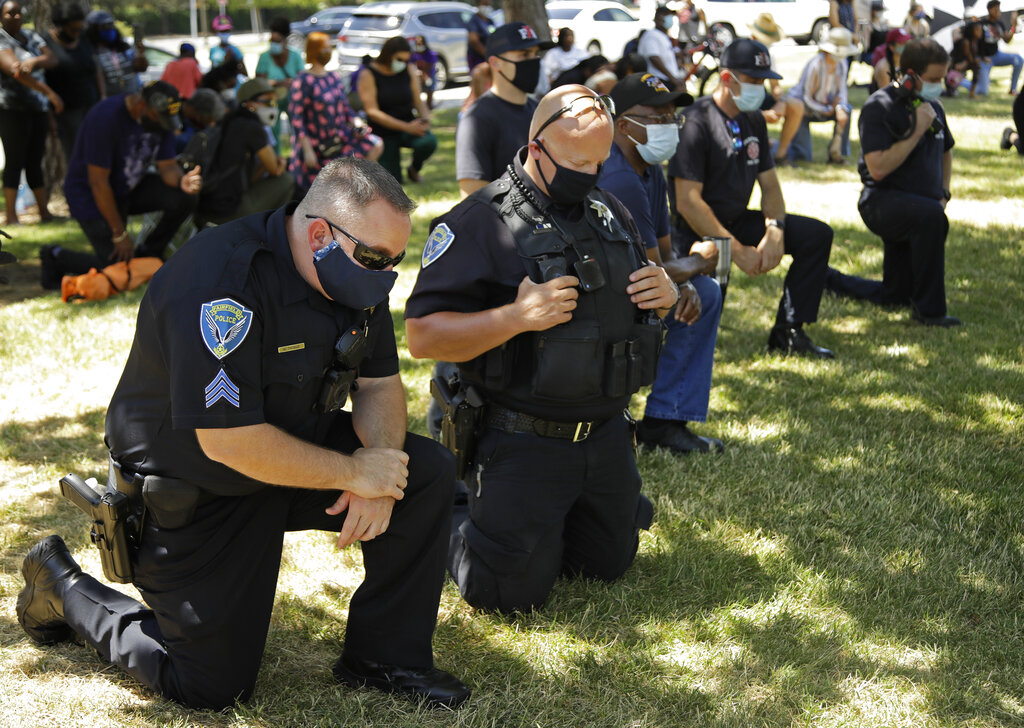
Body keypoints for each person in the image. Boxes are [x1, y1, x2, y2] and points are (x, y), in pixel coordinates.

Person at [17, 157, 470, 711]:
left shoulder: (356, 279)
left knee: (419, 472)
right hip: (197, 489)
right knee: (210, 687)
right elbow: (227, 442)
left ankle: (384, 659)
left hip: (286, 452)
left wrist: (377, 464)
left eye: (396, 260)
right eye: (376, 258)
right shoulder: (220, 283)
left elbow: (378, 386)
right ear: (320, 233)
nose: (387, 275)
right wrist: (354, 471)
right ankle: (62, 587)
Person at [405, 85, 678, 613]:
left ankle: (558, 519)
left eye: (600, 161)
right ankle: (451, 507)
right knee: (506, 594)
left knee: (607, 566)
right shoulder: (479, 221)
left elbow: (643, 286)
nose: (591, 175)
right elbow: (422, 335)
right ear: (535, 149)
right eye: (578, 162)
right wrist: (515, 317)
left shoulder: (607, 208)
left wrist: (663, 292)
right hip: (521, 436)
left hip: (603, 433)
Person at [670, 38, 836, 358]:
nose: (761, 89)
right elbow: (688, 202)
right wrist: (735, 251)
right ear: (727, 78)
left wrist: (775, 229)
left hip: (738, 220)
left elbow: (770, 184)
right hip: (700, 232)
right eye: (755, 81)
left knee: (816, 236)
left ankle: (788, 332)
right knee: (700, 330)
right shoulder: (696, 120)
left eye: (764, 81)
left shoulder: (753, 118)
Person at [599, 72, 724, 455]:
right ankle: (664, 422)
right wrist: (700, 262)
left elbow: (663, 255)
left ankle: (665, 421)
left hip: (635, 284)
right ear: (622, 125)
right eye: (657, 118)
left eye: (672, 117)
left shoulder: (648, 169)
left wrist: (686, 281)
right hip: (602, 297)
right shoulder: (619, 176)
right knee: (703, 287)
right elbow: (653, 272)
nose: (669, 126)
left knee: (701, 292)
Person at [825, 39, 960, 327]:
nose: (940, 86)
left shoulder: (933, 105)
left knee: (895, 294)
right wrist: (916, 130)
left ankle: (828, 280)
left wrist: (944, 192)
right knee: (932, 219)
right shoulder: (879, 107)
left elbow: (946, 150)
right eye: (934, 79)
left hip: (921, 204)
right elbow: (878, 169)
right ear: (910, 75)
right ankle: (930, 312)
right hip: (882, 202)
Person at [40, 81, 201, 287]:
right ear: (141, 105)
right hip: (90, 196)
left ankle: (149, 253)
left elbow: (168, 167)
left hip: (128, 188)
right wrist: (119, 233)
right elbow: (98, 183)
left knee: (185, 196)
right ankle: (55, 256)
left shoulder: (161, 120)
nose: (162, 124)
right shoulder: (105, 117)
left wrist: (182, 181)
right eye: (157, 118)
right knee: (118, 269)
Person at [456, 22, 548, 198]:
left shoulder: (540, 111)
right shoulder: (476, 119)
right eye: (524, 54)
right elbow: (472, 198)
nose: (534, 61)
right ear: (495, 63)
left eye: (536, 54)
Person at [289, 33, 382, 194]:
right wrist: (307, 149)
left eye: (328, 47)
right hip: (318, 145)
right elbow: (297, 119)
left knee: (375, 144)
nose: (327, 51)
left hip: (340, 139)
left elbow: (346, 109)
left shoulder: (333, 77)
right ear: (314, 50)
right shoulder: (303, 80)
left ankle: (357, 189)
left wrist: (357, 123)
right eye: (323, 47)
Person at [195, 78, 294, 225]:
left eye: (274, 102)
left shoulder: (229, 121)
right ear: (249, 104)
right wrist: (280, 161)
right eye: (268, 101)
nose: (273, 107)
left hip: (202, 208)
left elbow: (249, 175)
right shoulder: (252, 128)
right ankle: (269, 233)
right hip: (227, 211)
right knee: (286, 180)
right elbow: (275, 170)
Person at [0, 0, 62, 224]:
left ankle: (44, 212)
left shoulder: (30, 36)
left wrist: (34, 61)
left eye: (18, 12)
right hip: (12, 108)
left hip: (37, 108)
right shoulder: (1, 39)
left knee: (36, 159)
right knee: (15, 160)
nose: (16, 17)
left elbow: (52, 59)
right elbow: (16, 71)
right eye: (10, 13)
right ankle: (11, 215)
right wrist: (50, 94)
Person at [357, 36, 435, 184]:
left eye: (406, 60)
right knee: (394, 182)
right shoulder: (368, 74)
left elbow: (418, 101)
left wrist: (426, 119)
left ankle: (414, 169)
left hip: (408, 123)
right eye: (399, 59)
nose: (403, 64)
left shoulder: (409, 69)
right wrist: (406, 127)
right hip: (383, 131)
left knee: (428, 142)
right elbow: (372, 111)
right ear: (388, 55)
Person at [785, 27, 859, 164]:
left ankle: (836, 153)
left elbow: (842, 92)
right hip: (806, 108)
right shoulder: (815, 65)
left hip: (828, 105)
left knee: (846, 110)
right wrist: (826, 110)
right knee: (803, 157)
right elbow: (806, 97)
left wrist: (839, 108)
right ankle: (793, 151)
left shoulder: (842, 64)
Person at [44, 2, 99, 165]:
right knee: (76, 155)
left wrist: (102, 95)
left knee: (96, 150)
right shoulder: (45, 42)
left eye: (79, 29)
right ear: (60, 26)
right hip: (67, 112)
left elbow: (95, 70)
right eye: (72, 29)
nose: (77, 33)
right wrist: (49, 115)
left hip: (91, 104)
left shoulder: (83, 38)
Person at [255, 15, 303, 145]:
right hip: (272, 100)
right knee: (273, 131)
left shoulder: (295, 56)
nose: (274, 45)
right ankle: (276, 158)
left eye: (277, 41)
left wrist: (291, 83)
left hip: (292, 98)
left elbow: (302, 79)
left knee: (298, 129)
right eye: (272, 41)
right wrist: (278, 83)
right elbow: (259, 82)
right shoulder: (264, 57)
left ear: (285, 41)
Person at [86, 9, 146, 97]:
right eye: (104, 26)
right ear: (93, 29)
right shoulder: (90, 52)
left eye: (111, 25)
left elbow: (141, 68)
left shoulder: (124, 48)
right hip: (110, 102)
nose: (109, 29)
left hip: (133, 99)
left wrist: (141, 53)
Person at [976, 0, 1021, 96]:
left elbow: (1007, 40)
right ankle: (960, 81)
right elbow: (975, 43)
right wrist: (981, 58)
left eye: (999, 9)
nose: (998, 12)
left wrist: (1014, 26)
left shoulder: (999, 23)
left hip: (996, 55)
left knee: (1019, 59)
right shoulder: (981, 23)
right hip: (984, 59)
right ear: (989, 10)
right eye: (995, 9)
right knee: (982, 90)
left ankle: (1013, 89)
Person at [639, 6, 684, 91]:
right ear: (657, 18)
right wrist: (672, 79)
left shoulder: (662, 36)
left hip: (666, 80)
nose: (669, 18)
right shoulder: (651, 35)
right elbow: (653, 58)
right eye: (665, 15)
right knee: (663, 101)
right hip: (656, 80)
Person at [871, 27, 911, 93]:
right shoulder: (884, 68)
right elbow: (886, 97)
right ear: (891, 47)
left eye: (906, 42)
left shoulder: (906, 64)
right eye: (901, 43)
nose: (905, 45)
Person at [410, 35, 439, 109]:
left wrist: (425, 76)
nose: (419, 45)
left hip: (429, 74)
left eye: (421, 43)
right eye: (417, 43)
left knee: (430, 88)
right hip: (418, 75)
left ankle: (429, 105)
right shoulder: (414, 55)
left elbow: (429, 67)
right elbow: (412, 65)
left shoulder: (431, 54)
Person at [466, 0, 494, 71]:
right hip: (477, 58)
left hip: (490, 57)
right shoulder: (474, 21)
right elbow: (473, 41)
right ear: (478, 5)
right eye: (484, 4)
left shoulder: (489, 21)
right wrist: (486, 54)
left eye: (488, 4)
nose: (487, 7)